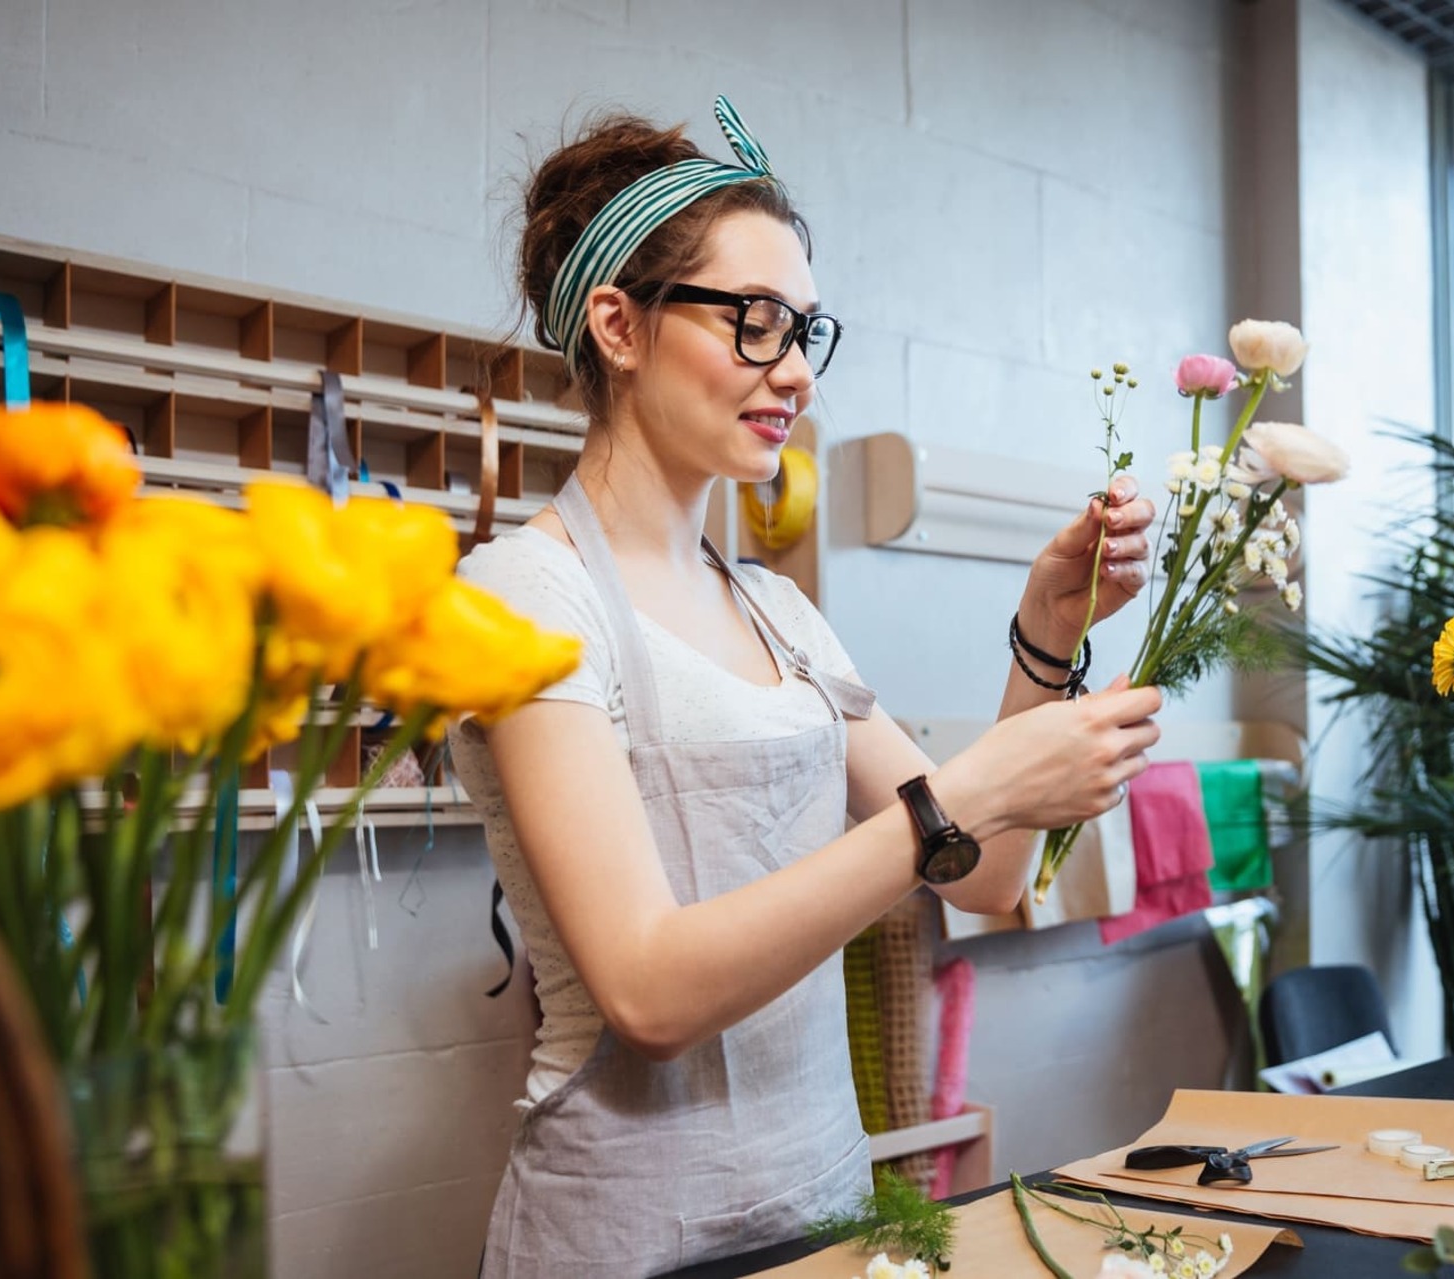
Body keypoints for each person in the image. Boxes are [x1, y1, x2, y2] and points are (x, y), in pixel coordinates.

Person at [450, 98, 1162, 1278]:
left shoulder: (779, 612)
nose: (795, 374)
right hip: (627, 1237)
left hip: (823, 1216)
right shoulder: (526, 595)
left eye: (806, 334)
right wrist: (961, 795)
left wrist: (1043, 629)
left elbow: (980, 871)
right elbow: (648, 990)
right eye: (755, 323)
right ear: (618, 326)